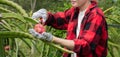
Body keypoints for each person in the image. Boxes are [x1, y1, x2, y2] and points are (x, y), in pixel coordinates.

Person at [29, 0, 108, 57]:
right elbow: (61, 20)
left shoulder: (96, 16)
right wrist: (47, 16)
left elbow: (84, 46)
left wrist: (53, 39)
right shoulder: (75, 11)